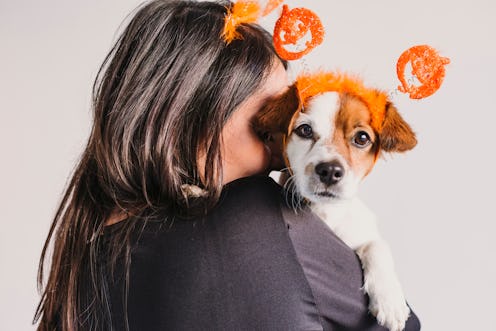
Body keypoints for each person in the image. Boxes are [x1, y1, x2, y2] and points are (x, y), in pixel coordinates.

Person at [34, 1, 421, 330]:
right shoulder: (260, 214)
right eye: (266, 127)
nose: (280, 151)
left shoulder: (84, 259)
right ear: (193, 118)